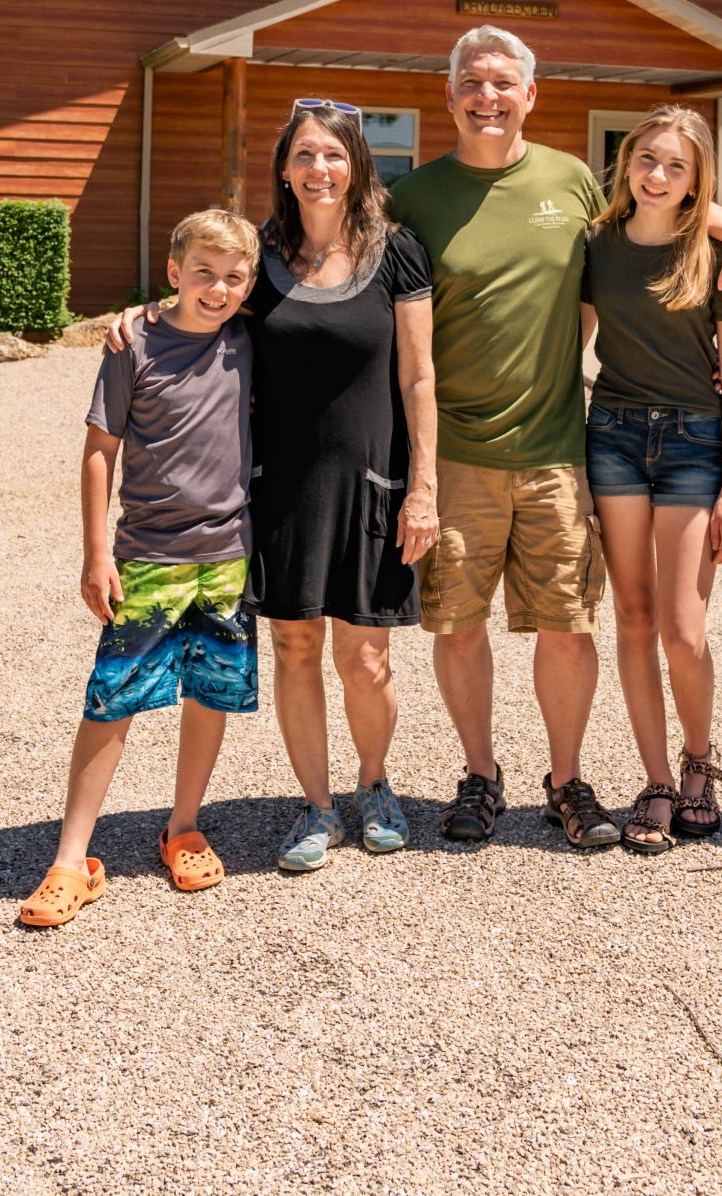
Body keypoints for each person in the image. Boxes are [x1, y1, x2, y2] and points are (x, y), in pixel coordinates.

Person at [390, 25, 722, 852]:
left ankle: (567, 779)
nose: (488, 97)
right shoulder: (412, 198)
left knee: (569, 625)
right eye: (472, 83)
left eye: (503, 83)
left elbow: (669, 200)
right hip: (455, 454)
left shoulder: (569, 181)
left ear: (532, 94)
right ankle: (481, 775)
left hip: (562, 446)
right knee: (457, 624)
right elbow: (326, 255)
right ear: (449, 94)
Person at [19, 209, 260, 928]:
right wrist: (96, 551)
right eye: (203, 274)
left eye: (234, 277)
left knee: (210, 692)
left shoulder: (249, 339)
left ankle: (183, 825)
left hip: (226, 557)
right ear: (174, 274)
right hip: (148, 554)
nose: (217, 289)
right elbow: (100, 450)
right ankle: (71, 859)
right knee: (111, 700)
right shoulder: (133, 344)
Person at [240, 103, 439, 872]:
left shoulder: (397, 253)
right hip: (281, 484)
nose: (318, 170)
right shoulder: (257, 256)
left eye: (333, 155)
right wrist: (136, 321)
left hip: (372, 481)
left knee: (368, 658)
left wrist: (424, 487)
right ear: (284, 169)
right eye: (303, 156)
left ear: (356, 163)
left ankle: (374, 784)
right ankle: (317, 804)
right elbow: (197, 309)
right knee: (294, 644)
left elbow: (419, 376)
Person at [579, 104, 722, 854]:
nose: (657, 174)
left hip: (692, 442)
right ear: (626, 162)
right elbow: (571, 344)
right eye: (646, 158)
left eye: (676, 166)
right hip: (612, 433)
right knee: (632, 618)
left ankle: (698, 762)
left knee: (684, 628)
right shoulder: (596, 245)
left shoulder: (716, 256)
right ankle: (653, 777)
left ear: (696, 181)